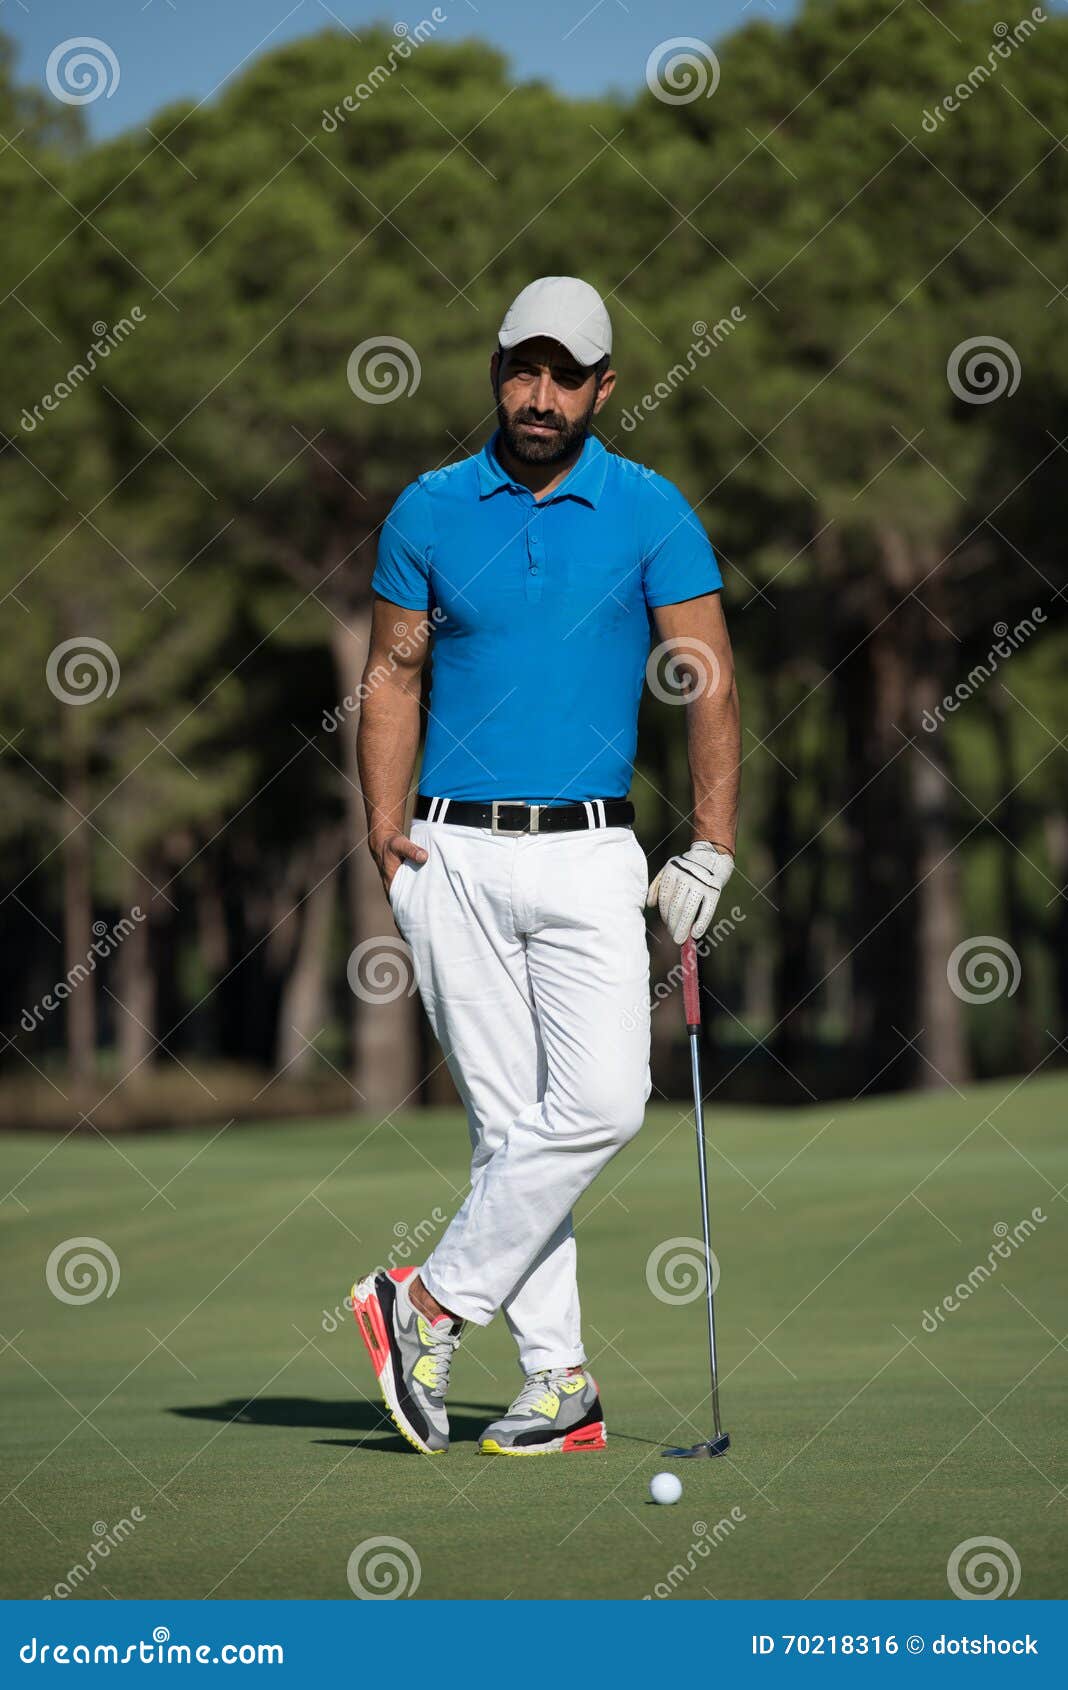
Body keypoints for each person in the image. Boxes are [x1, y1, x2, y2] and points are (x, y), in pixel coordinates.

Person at [351, 276, 741, 1455]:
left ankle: (421, 1305)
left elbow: (707, 675)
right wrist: (384, 832)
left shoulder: (651, 509)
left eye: (565, 373)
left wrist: (713, 839)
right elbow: (392, 677)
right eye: (523, 368)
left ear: (603, 387)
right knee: (506, 1125)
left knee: (605, 1102)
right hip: (450, 847)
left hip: (590, 850)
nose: (540, 393)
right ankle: (559, 1383)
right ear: (495, 372)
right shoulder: (427, 510)